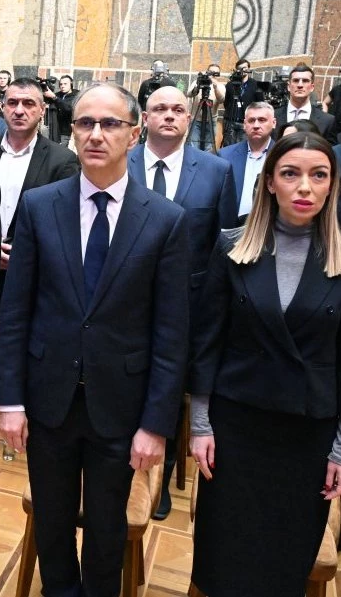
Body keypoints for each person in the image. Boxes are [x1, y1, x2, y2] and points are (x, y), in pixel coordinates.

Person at [0, 83, 189, 597]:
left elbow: (171, 333)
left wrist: (156, 424)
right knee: (52, 524)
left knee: (107, 533)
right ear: (72, 132)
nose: (96, 134)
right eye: (85, 123)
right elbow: (15, 313)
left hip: (120, 406)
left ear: (134, 133)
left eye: (110, 124)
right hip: (48, 401)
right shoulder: (40, 206)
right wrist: (10, 401)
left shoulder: (165, 220)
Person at [189, 132, 341, 596]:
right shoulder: (232, 246)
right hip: (236, 428)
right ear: (270, 182)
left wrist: (339, 448)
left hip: (308, 433)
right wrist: (200, 425)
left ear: (332, 185)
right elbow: (207, 342)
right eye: (291, 174)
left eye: (319, 175)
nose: (305, 187)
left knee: (283, 565)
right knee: (224, 559)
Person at [127, 85, 238, 519]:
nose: (169, 115)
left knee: (169, 389)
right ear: (145, 118)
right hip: (124, 301)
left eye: (178, 109)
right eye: (160, 109)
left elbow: (223, 247)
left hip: (187, 306)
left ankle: (161, 476)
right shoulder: (121, 162)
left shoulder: (215, 171)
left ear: (189, 118)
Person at [0, 78, 80, 294]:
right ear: (3, 108)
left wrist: (24, 252)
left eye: (28, 103)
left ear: (42, 110)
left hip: (34, 278)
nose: (19, 110)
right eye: (12, 103)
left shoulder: (62, 161)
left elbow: (66, 223)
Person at [218, 101, 277, 219]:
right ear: (244, 124)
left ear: (274, 123)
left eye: (262, 120)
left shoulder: (282, 156)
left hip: (269, 223)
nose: (256, 125)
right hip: (232, 225)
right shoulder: (225, 156)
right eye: (251, 120)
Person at [275, 65, 338, 145]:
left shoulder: (327, 121)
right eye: (296, 80)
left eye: (305, 81)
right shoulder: (273, 116)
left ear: (312, 87)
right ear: (289, 86)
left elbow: (330, 150)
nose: (300, 85)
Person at [222, 58, 261, 147]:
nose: (243, 70)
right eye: (240, 68)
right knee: (228, 148)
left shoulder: (255, 84)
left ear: (248, 69)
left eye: (245, 68)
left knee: (243, 148)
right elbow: (226, 103)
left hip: (246, 122)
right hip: (230, 121)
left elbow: (259, 103)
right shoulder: (230, 84)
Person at [186, 64, 226, 149]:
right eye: (211, 72)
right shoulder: (198, 82)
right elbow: (189, 94)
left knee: (208, 147)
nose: (213, 75)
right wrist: (198, 86)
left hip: (211, 121)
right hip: (196, 120)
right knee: (193, 146)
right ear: (207, 72)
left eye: (216, 73)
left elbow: (221, 100)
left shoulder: (220, 86)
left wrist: (215, 87)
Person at [51, 75, 77, 147]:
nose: (62, 86)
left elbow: (69, 108)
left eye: (65, 84)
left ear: (71, 84)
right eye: (61, 84)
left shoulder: (76, 95)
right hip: (54, 130)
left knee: (62, 151)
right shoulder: (58, 95)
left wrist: (54, 98)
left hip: (66, 132)